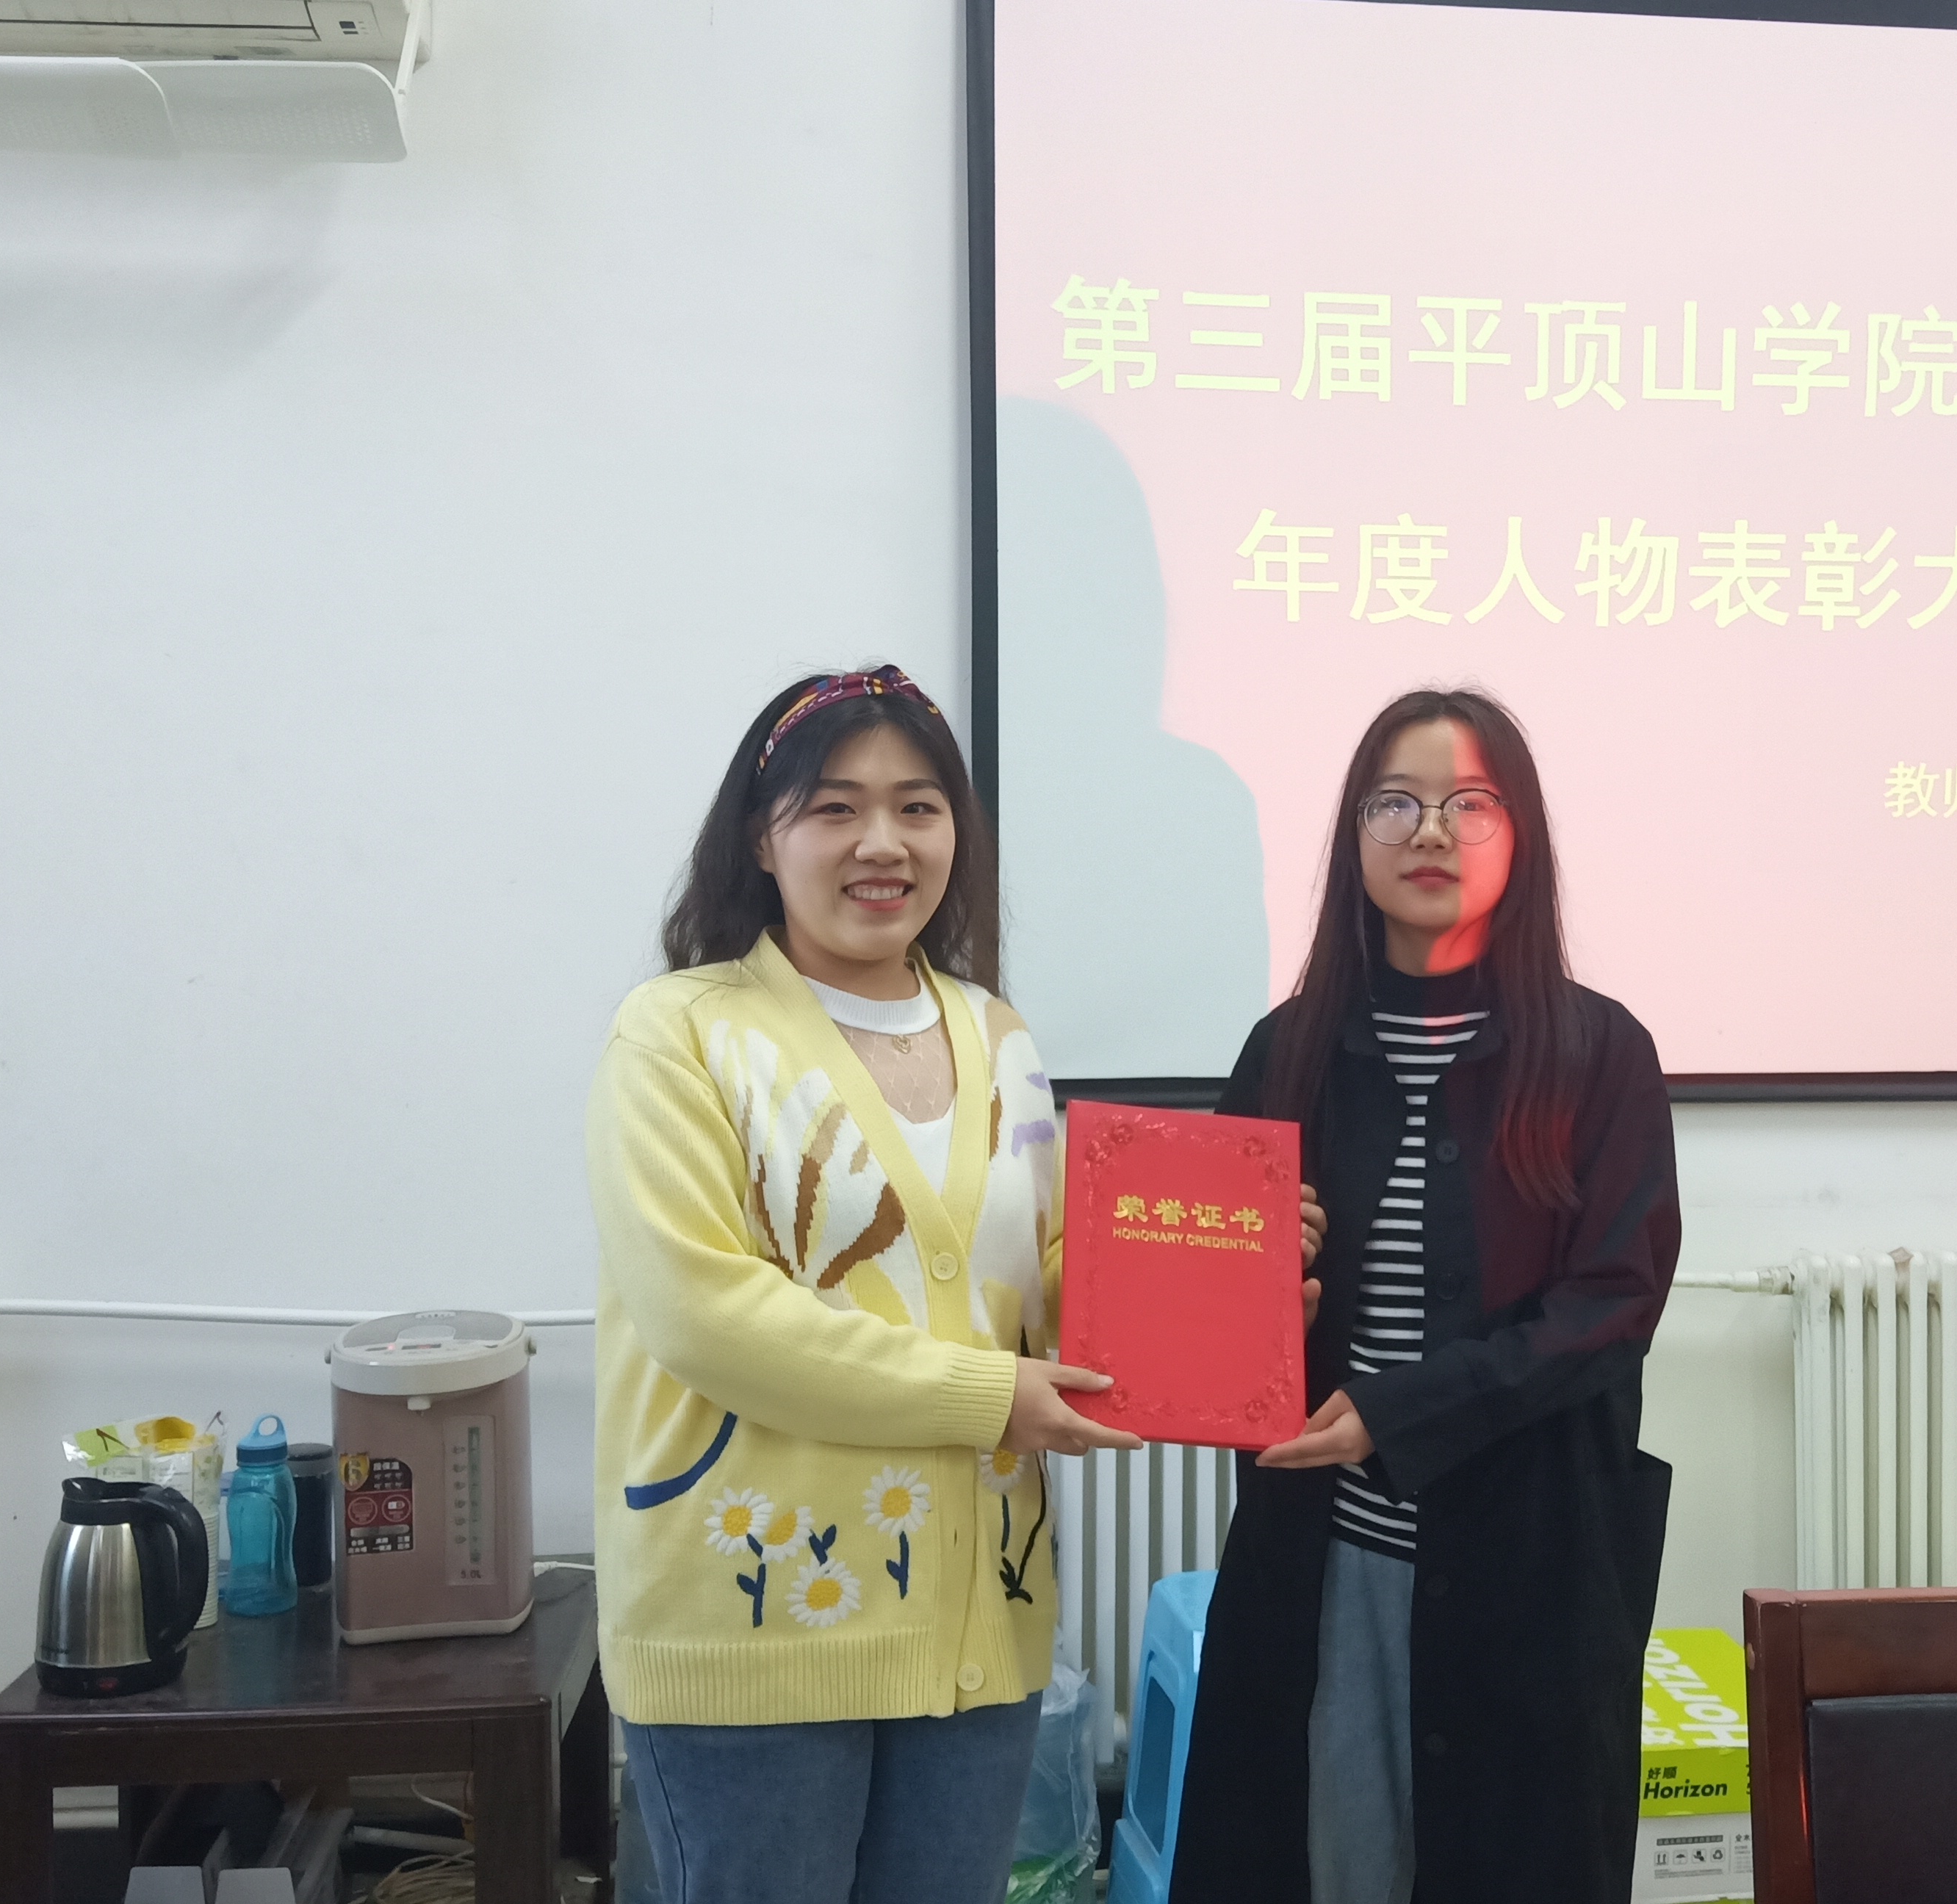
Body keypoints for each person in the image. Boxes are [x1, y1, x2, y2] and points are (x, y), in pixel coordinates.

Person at [585, 665, 1140, 1904]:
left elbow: (1048, 1278)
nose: (882, 842)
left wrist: (1215, 1308)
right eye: (835, 807)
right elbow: (704, 1314)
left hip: (976, 1628)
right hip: (754, 1625)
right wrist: (987, 1398)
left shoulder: (999, 1037)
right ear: (761, 838)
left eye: (918, 807)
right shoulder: (677, 1032)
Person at [1171, 688, 1683, 1904]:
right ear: (1354, 837)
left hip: (1529, 1574)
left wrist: (1397, 1414)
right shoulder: (1284, 1052)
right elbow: (1209, 1315)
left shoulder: (1600, 1054)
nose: (1432, 832)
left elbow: (1612, 1306)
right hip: (1330, 1562)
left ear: (1521, 837)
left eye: (1471, 804)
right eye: (1395, 803)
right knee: (1323, 1865)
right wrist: (1267, 1293)